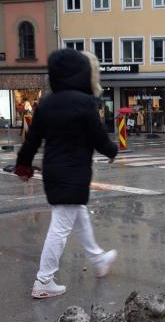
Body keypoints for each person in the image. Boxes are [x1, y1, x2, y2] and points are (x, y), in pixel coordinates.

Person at [14, 48, 118, 299]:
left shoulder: (47, 103)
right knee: (61, 226)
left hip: (54, 172)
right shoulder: (84, 103)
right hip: (75, 173)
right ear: (81, 72)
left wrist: (23, 165)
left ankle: (98, 258)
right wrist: (112, 150)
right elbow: (99, 138)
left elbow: (32, 140)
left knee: (77, 214)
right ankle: (43, 280)